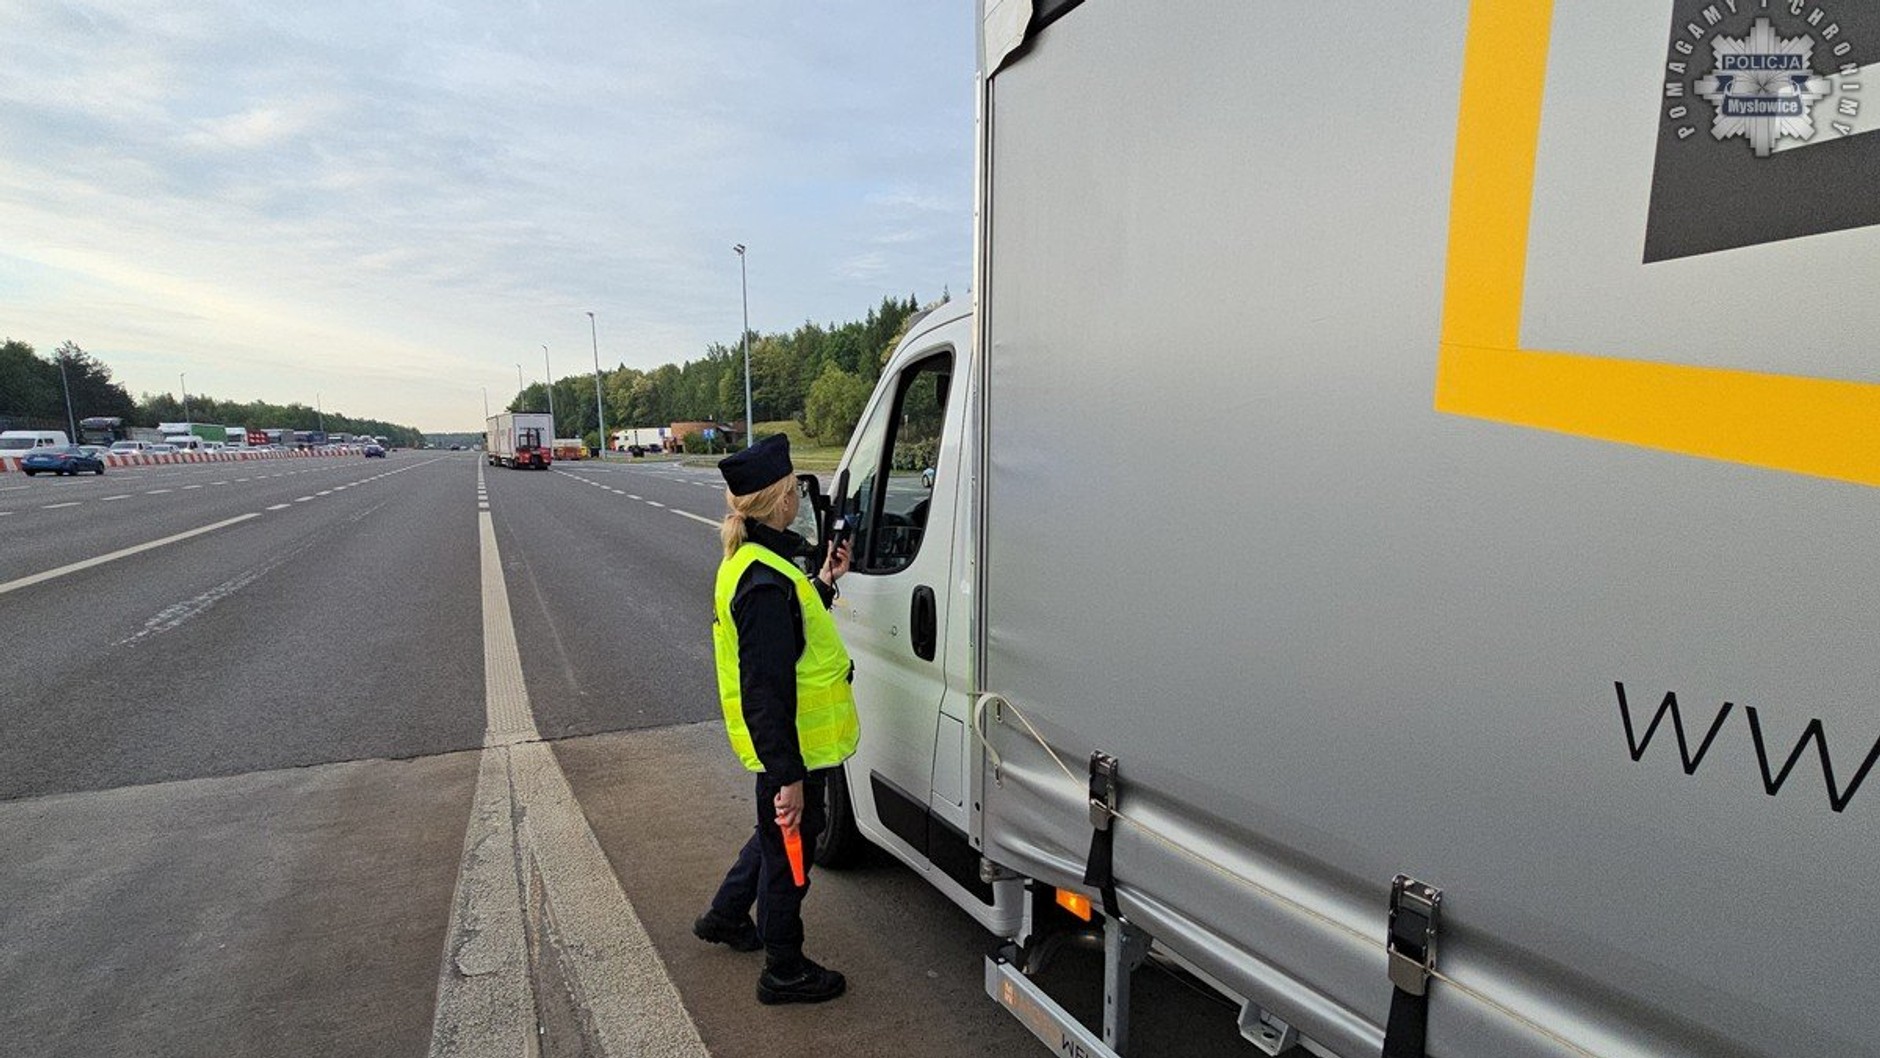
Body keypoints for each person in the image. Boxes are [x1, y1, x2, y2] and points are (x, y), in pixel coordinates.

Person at [693, 433, 857, 1005]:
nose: (796, 502)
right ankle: (783, 968)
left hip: (782, 750)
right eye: (792, 492)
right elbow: (766, 689)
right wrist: (788, 776)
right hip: (791, 750)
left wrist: (826, 583)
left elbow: (789, 640)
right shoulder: (763, 582)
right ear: (783, 498)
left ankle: (726, 914)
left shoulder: (756, 563)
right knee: (791, 857)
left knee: (770, 834)